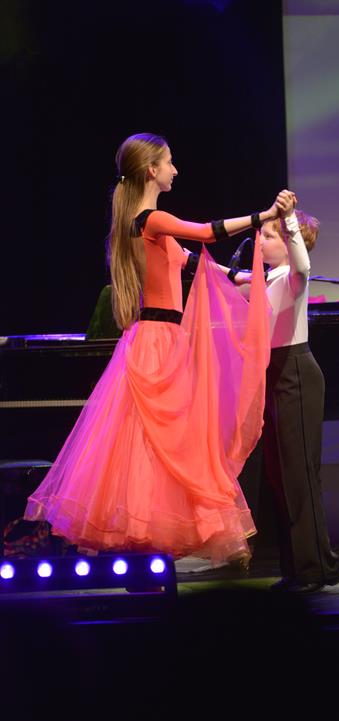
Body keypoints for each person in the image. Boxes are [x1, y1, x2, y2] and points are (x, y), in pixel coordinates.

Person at [25, 132, 280, 567]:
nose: (175, 170)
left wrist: (242, 278)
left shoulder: (151, 226)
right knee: (158, 440)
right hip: (157, 340)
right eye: (170, 162)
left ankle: (155, 541)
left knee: (166, 440)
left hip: (162, 339)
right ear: (151, 170)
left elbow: (191, 260)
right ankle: (151, 531)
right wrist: (264, 216)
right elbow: (206, 233)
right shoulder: (152, 219)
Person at [234, 191, 339, 592]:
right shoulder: (267, 280)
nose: (259, 241)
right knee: (283, 477)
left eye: (268, 236)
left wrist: (290, 217)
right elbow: (236, 284)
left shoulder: (294, 277)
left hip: (296, 373)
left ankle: (313, 569)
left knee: (299, 476)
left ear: (287, 241)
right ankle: (305, 567)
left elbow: (303, 263)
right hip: (276, 373)